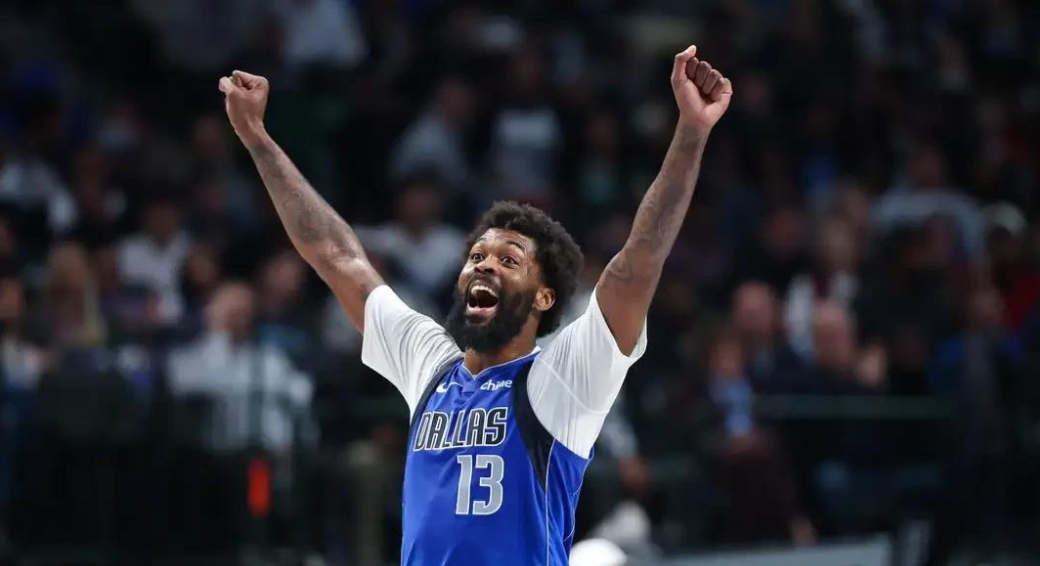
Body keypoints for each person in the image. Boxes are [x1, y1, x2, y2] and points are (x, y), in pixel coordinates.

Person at [218, 44, 732, 565]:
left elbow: (636, 264)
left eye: (509, 260)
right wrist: (258, 139)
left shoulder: (560, 381)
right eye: (477, 256)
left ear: (544, 296)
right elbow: (337, 255)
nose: (484, 265)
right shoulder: (429, 363)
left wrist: (691, 131)